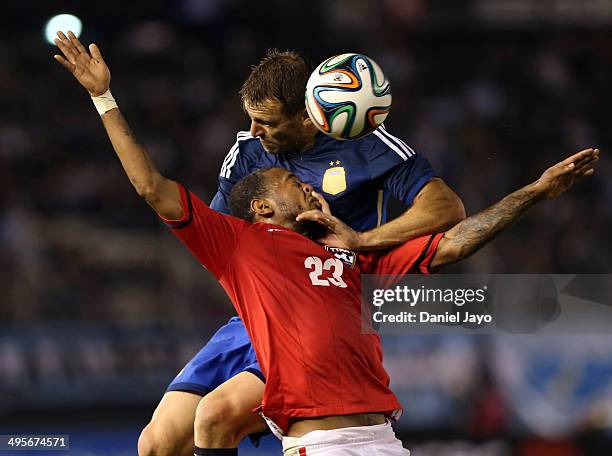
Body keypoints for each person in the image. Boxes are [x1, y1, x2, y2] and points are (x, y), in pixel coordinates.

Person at [53, 31, 600, 456]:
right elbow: (209, 227)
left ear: (308, 115)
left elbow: (446, 213)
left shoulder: (370, 145)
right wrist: (103, 98)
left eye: (267, 121)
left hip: (335, 301)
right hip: (260, 314)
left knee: (216, 416)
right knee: (156, 442)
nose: (252, 130)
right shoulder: (246, 155)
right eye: (251, 119)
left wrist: (361, 242)